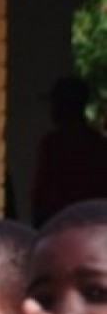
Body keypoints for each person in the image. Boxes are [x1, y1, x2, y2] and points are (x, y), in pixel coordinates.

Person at [31, 76, 107, 227]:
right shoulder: (99, 143)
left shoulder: (53, 144)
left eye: (54, 104)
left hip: (62, 226)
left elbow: (42, 195)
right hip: (96, 225)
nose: (51, 110)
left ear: (62, 106)